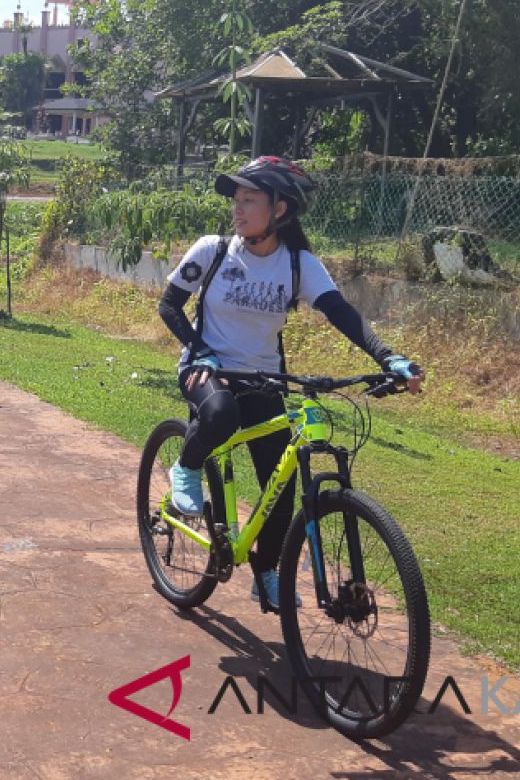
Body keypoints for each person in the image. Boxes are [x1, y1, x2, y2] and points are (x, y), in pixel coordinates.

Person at [158, 156, 424, 611]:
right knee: (220, 412)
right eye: (236, 200)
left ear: (279, 209)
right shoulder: (213, 250)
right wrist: (199, 349)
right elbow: (170, 306)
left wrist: (387, 356)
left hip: (264, 378)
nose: (237, 210)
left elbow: (342, 313)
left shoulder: (298, 264)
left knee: (279, 487)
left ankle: (265, 573)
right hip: (207, 370)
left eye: (249, 200)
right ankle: (186, 467)